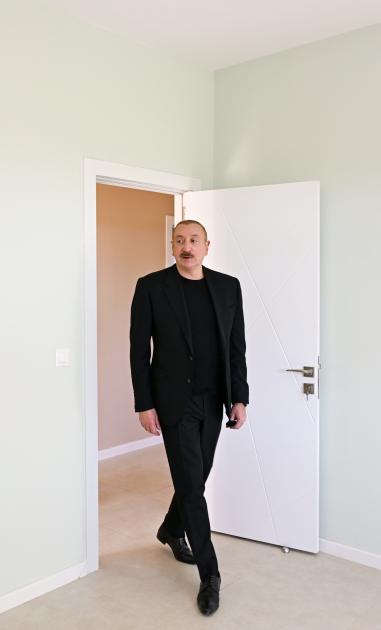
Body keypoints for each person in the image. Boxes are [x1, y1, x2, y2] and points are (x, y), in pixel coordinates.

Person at [129, 219, 249, 616]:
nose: (187, 246)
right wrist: (144, 404)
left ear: (207, 246)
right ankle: (210, 576)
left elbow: (236, 348)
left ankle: (170, 528)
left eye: (194, 240)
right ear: (172, 245)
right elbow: (138, 351)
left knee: (196, 476)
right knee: (193, 489)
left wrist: (239, 398)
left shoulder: (228, 287)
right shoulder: (151, 287)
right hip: (173, 403)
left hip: (214, 400)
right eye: (179, 240)